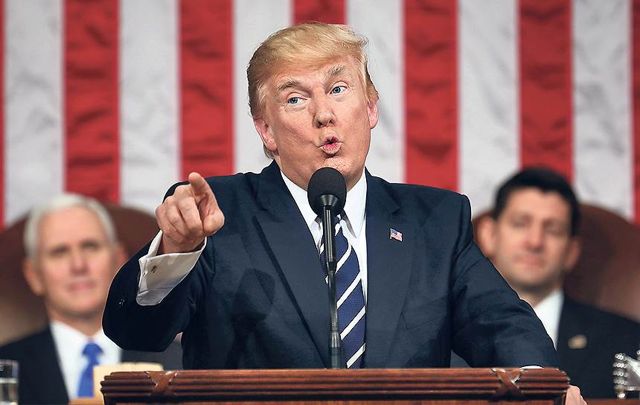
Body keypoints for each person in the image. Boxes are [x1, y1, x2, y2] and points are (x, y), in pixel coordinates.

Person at [103, 23, 583, 402]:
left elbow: (503, 326)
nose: (323, 114)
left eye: (338, 89)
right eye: (296, 98)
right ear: (266, 130)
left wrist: (543, 388)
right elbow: (136, 331)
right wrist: (177, 249)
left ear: (370, 108)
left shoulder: (434, 221)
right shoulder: (220, 214)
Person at [0, 194, 182, 404]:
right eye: (59, 252)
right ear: (34, 275)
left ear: (119, 262)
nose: (78, 265)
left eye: (90, 246)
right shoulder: (5, 367)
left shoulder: (180, 362)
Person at [476, 167, 640, 398]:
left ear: (572, 251)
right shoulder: (445, 336)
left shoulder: (626, 341)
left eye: (552, 230)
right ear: (489, 235)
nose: (535, 242)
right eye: (520, 224)